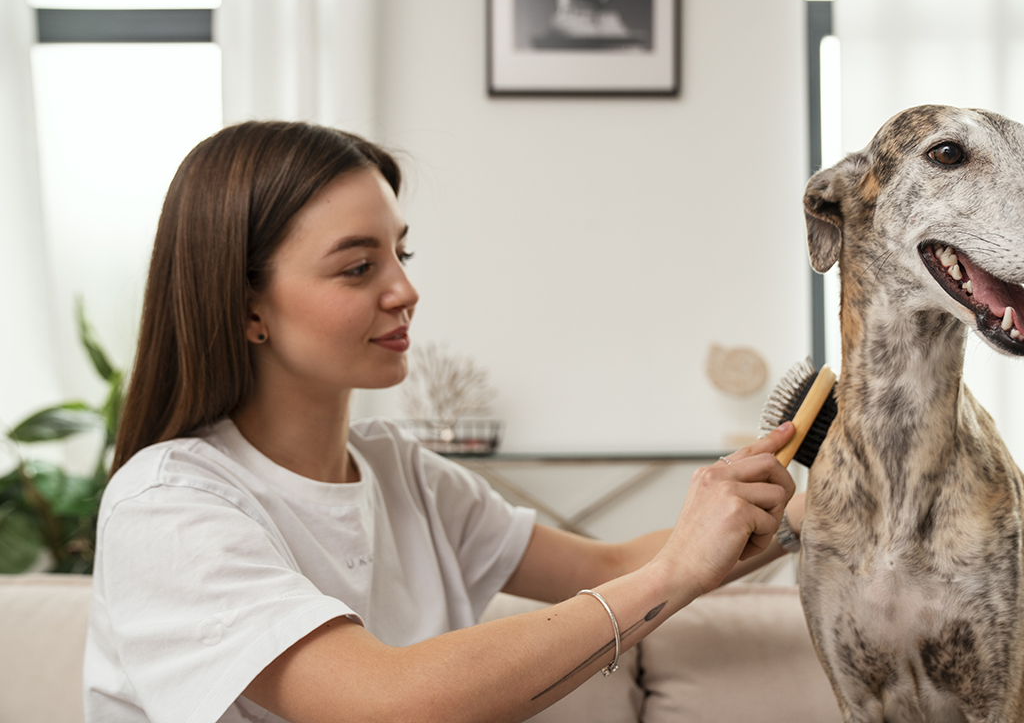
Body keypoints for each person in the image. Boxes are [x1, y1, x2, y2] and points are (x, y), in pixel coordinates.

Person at [83, 121, 805, 723]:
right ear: (249, 309)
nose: (405, 289)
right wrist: (675, 574)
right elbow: (386, 703)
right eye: (358, 267)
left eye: (401, 253)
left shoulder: (399, 473)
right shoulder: (169, 507)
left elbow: (609, 568)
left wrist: (826, 505)